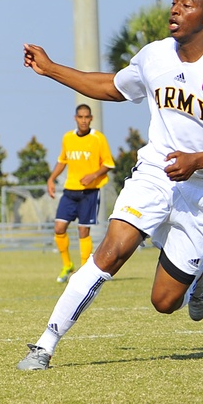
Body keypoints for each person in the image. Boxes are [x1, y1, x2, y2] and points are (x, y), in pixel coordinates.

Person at [18, 0, 203, 371]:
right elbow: (111, 87)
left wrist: (198, 160)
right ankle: (44, 345)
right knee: (110, 251)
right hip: (155, 172)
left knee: (164, 302)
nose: (174, 10)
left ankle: (199, 269)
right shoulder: (154, 56)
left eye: (186, 5)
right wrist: (51, 69)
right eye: (173, 3)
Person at [47, 104, 116, 283]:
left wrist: (93, 175)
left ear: (91, 118)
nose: (84, 120)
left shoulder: (98, 138)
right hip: (70, 191)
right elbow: (62, 161)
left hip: (90, 192)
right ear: (75, 118)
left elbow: (108, 164)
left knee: (83, 231)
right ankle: (67, 265)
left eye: (87, 117)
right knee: (59, 228)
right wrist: (51, 179)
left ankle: (85, 269)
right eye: (80, 117)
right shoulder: (68, 138)